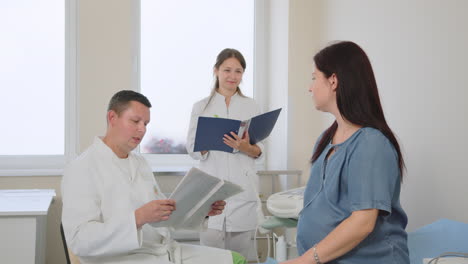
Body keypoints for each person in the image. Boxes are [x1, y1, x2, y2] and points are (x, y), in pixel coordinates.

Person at [61, 90, 247, 264]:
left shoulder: (140, 163)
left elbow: (164, 217)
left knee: (236, 259)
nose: (142, 130)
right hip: (120, 258)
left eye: (146, 124)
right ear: (112, 118)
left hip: (161, 251)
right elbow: (80, 241)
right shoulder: (81, 168)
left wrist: (201, 209)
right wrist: (137, 218)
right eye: (135, 121)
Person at [282, 41, 409, 264]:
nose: (310, 87)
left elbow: (362, 222)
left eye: (314, 78)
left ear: (333, 81)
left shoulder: (371, 143)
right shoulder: (326, 140)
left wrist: (303, 261)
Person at [186, 48, 264, 259]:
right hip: (212, 191)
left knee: (242, 257)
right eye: (227, 70)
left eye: (238, 71)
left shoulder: (251, 106)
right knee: (210, 257)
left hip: (242, 192)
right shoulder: (201, 107)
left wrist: (245, 148)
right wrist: (207, 141)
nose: (232, 76)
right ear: (216, 71)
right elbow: (192, 148)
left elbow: (259, 150)